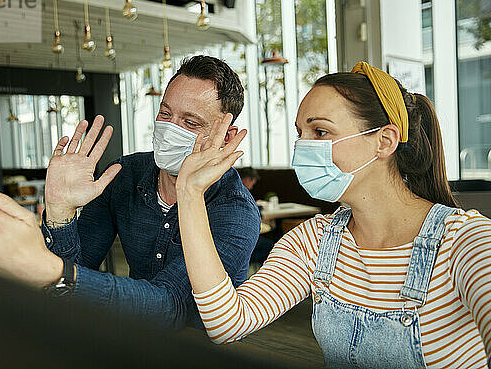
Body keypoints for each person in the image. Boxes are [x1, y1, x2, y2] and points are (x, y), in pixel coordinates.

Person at [174, 62, 491, 367]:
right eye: (300, 133)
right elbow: (227, 322)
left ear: (384, 141)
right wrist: (189, 193)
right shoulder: (313, 241)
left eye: (320, 132)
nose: (303, 147)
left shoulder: (466, 243)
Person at [0, 55, 260, 329]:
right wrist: (60, 213)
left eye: (190, 122)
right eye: (165, 114)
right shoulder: (124, 176)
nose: (170, 129)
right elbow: (74, 272)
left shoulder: (235, 212)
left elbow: (174, 306)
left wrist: (55, 272)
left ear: (226, 136)